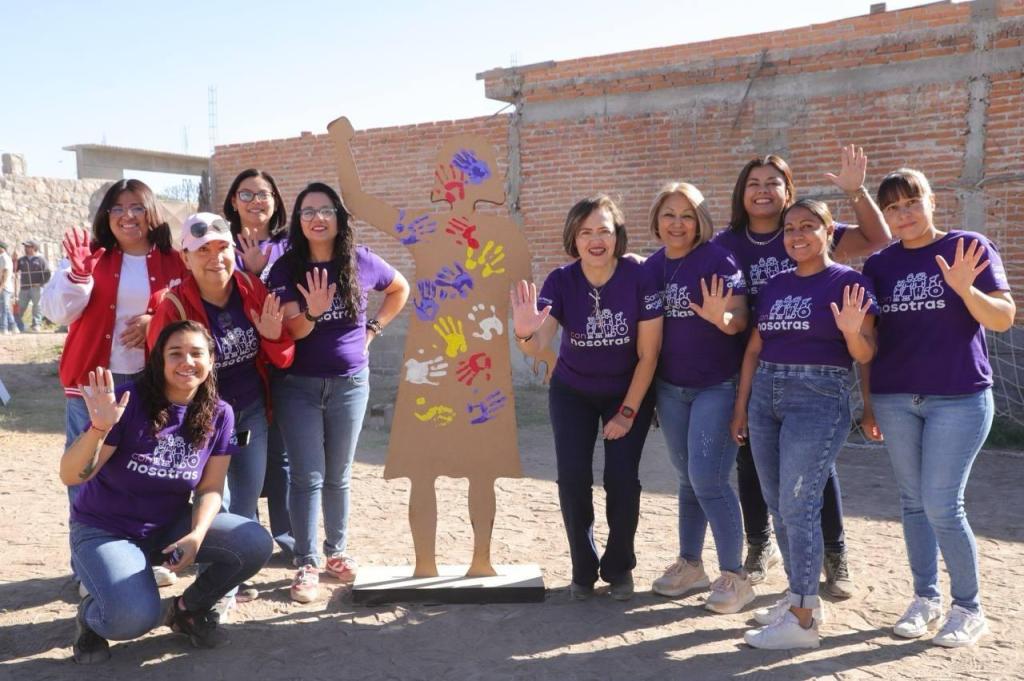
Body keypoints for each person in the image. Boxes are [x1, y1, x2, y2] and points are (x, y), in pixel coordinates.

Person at [329, 117, 534, 579]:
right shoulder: (433, 229)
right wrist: (341, 145)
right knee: (436, 470)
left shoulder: (496, 236)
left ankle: (475, 562)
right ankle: (434, 564)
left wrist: (536, 344)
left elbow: (529, 304)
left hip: (471, 368)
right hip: (437, 365)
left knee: (474, 469)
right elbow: (356, 202)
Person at [713, 146, 890, 595]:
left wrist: (856, 192)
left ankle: (831, 555)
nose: (762, 190)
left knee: (812, 474)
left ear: (788, 192)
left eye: (773, 182)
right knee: (756, 469)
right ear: (741, 192)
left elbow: (878, 238)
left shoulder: (813, 234)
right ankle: (763, 547)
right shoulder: (728, 243)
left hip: (817, 375)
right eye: (753, 183)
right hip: (756, 365)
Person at [860, 168, 1015, 647]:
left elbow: (1004, 318)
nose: (903, 214)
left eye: (911, 202)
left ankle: (968, 608)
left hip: (959, 397)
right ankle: (925, 599)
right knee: (912, 503)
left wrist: (966, 289)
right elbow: (871, 341)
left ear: (931, 200)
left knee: (942, 504)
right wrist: (868, 403)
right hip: (894, 398)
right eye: (892, 208)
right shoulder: (879, 265)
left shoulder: (968, 247)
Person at [62, 321, 273, 664]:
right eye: (175, 353)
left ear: (211, 361)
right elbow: (71, 474)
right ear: (159, 359)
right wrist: (99, 427)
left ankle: (189, 610)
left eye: (196, 353)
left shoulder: (219, 414)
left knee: (253, 542)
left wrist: (197, 535)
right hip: (105, 530)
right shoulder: (127, 402)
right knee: (133, 619)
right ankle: (90, 615)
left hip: (167, 526)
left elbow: (210, 488)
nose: (186, 361)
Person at [731, 199, 876, 649]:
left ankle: (803, 621)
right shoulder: (776, 284)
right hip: (765, 394)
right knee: (779, 504)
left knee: (799, 504)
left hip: (818, 396)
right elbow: (754, 348)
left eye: (808, 226)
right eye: (790, 228)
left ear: (829, 231)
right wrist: (741, 407)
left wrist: (851, 332)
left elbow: (866, 353)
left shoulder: (849, 282)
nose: (797, 235)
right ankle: (799, 596)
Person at [512, 194, 663, 601]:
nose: (595, 240)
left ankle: (619, 567)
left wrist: (627, 412)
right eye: (585, 232)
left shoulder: (639, 276)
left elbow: (649, 355)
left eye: (604, 231)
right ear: (573, 238)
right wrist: (524, 332)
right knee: (573, 478)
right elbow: (539, 342)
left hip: (627, 390)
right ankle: (583, 569)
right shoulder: (561, 280)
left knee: (622, 480)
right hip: (573, 391)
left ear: (617, 236)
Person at [41, 178, 188, 590]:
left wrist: (154, 321)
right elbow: (57, 312)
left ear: (151, 212)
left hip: (151, 383)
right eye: (118, 208)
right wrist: (77, 274)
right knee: (86, 473)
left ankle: (145, 558)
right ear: (106, 216)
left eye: (137, 207)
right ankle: (89, 567)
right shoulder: (91, 257)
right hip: (93, 382)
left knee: (145, 473)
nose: (127, 216)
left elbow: (188, 313)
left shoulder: (174, 261)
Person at [267, 182, 409, 603]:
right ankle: (306, 562)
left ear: (340, 218)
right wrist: (312, 310)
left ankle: (337, 552)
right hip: (298, 387)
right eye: (308, 211)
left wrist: (373, 329)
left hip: (351, 384)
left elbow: (400, 288)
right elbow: (295, 331)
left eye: (326, 210)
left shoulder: (360, 260)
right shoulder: (286, 268)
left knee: (338, 474)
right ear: (298, 220)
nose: (318, 218)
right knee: (306, 476)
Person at [147, 212, 295, 608]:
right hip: (204, 421)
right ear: (186, 257)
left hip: (249, 411)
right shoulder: (173, 305)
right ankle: (212, 591)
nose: (216, 258)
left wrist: (271, 337)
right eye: (203, 251)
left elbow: (283, 355)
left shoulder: (251, 289)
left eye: (222, 248)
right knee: (214, 499)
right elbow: (159, 370)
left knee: (245, 499)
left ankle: (231, 578)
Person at [642, 182, 753, 613]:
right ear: (657, 219)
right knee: (688, 478)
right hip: (671, 388)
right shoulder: (652, 266)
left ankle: (736, 577)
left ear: (700, 221)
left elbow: (740, 318)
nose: (677, 223)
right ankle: (691, 565)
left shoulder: (718, 259)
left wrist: (721, 317)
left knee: (709, 479)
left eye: (687, 215)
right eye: (669, 214)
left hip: (717, 385)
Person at [222, 169, 295, 559]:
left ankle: (286, 535)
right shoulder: (221, 245)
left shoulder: (291, 245)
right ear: (233, 201)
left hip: (287, 363)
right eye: (246, 194)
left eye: (263, 193)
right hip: (241, 370)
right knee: (239, 457)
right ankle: (245, 538)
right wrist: (249, 271)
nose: (255, 201)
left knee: (281, 456)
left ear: (276, 200)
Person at [16, 238, 51, 332]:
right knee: (21, 306)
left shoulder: (41, 259)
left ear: (34, 248)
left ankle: (36, 324)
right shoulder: (22, 260)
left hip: (37, 288)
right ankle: (17, 324)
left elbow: (47, 273)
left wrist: (40, 283)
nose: (25, 248)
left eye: (28, 246)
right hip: (24, 287)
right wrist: (14, 260)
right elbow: (14, 270)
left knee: (37, 306)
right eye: (25, 246)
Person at [0, 240, 17, 334]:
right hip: (3, 286)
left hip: (5, 287)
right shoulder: (1, 257)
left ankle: (4, 328)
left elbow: (6, 272)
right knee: (5, 308)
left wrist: (2, 286)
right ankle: (14, 327)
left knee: (4, 308)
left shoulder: (4, 258)